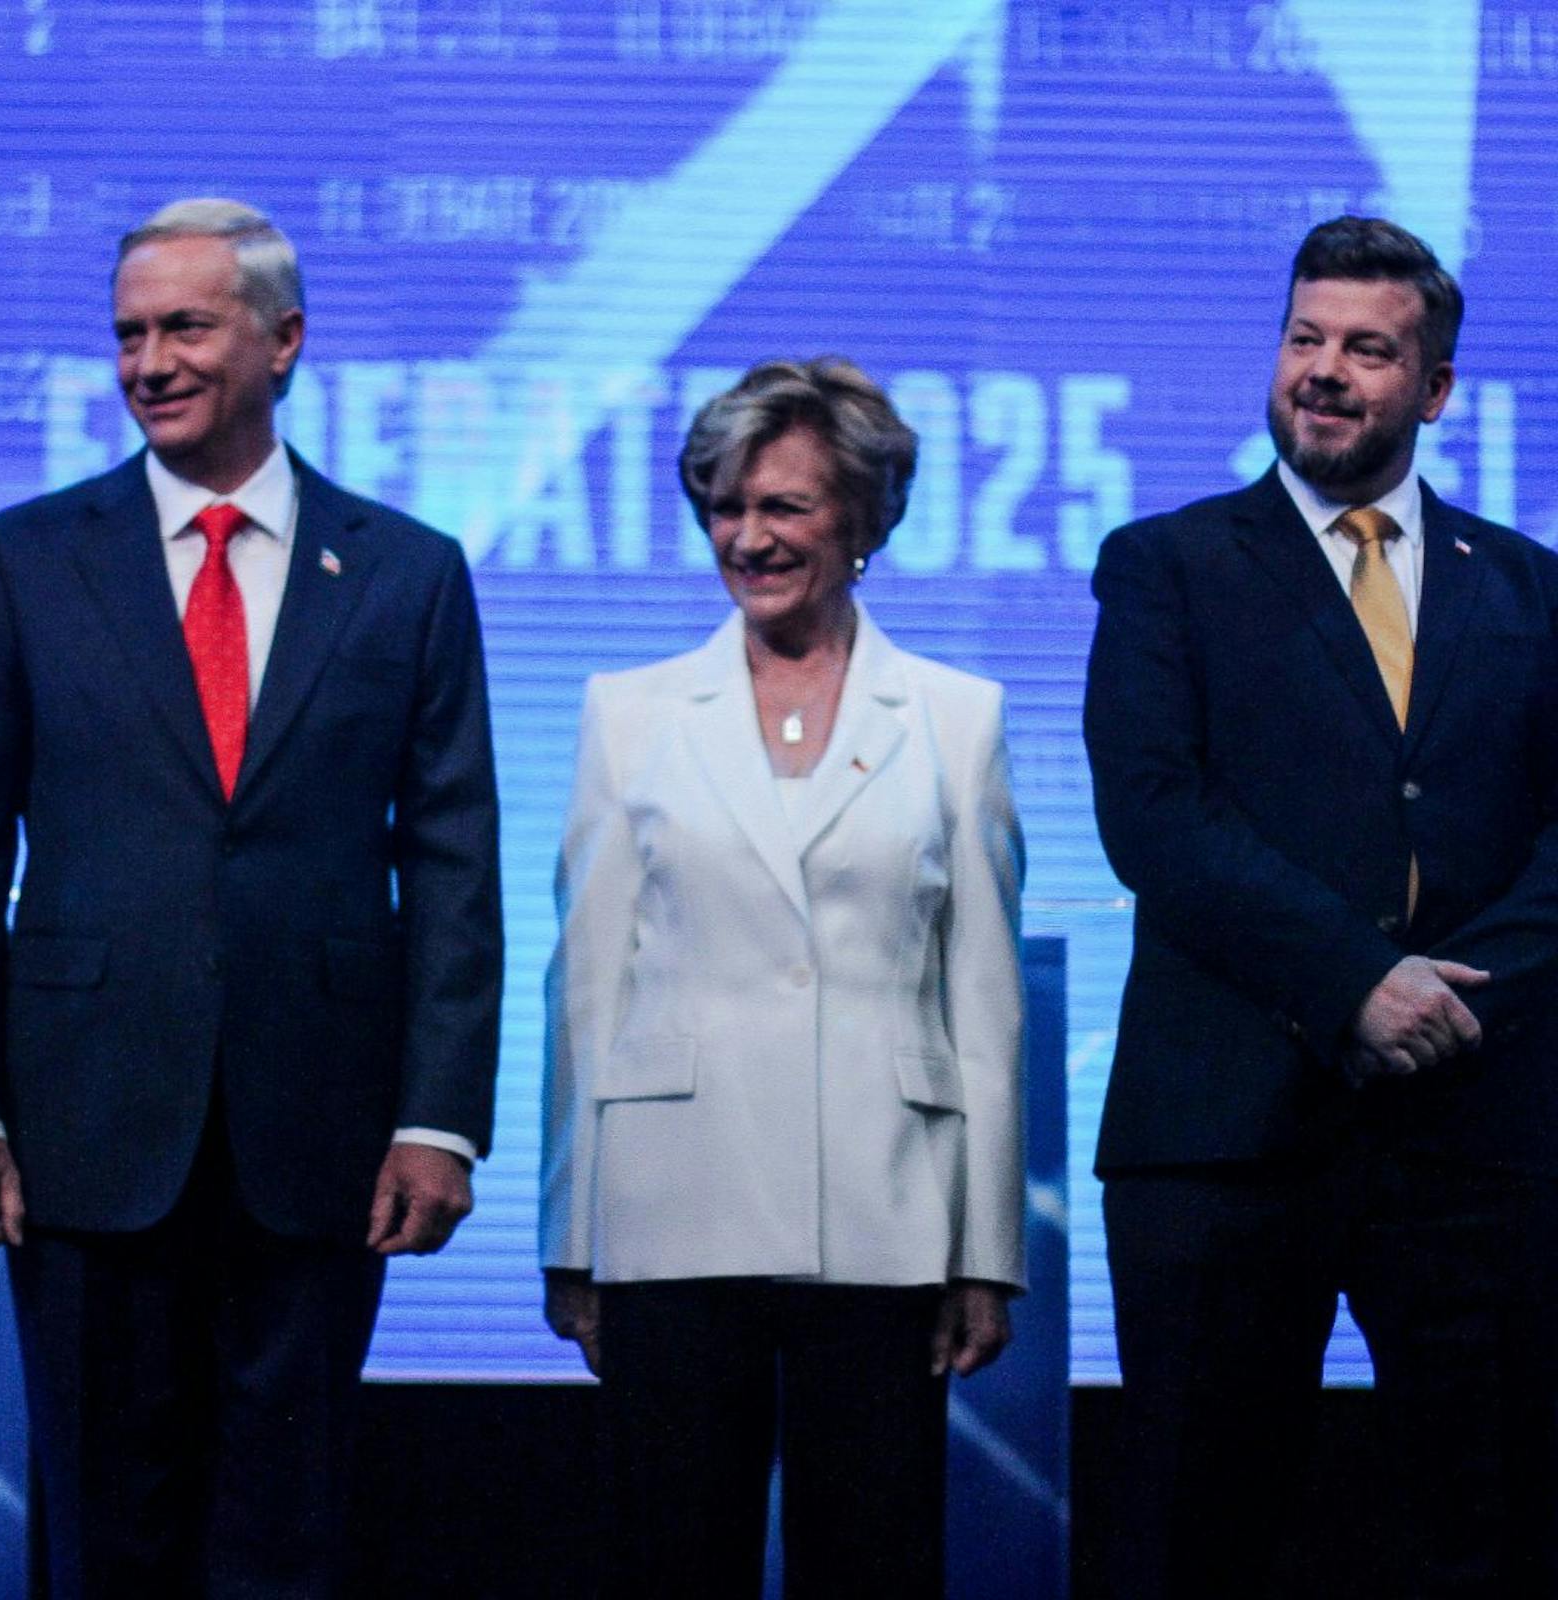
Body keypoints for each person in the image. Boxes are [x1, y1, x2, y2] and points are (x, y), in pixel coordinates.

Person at [0, 198, 503, 1598]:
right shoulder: (22, 560)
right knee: (100, 1536)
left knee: (285, 1536)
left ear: (285, 342)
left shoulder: (407, 574)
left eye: (186, 326)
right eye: (129, 334)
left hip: (316, 1131)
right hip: (84, 1130)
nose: (150, 362)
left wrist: (437, 1117)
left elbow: (450, 859)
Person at [1083, 215, 1558, 1598]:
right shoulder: (1166, 564)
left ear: (1438, 387)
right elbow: (1157, 820)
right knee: (1193, 1533)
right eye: (1306, 339)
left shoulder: (1530, 587)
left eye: (1368, 347)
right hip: (1227, 1134)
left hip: (1476, 1133)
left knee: (1500, 1531)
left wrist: (1454, 1002)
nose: (1327, 371)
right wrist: (1358, 980)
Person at [539, 359, 1025, 1597]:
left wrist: (986, 1249)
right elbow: (587, 986)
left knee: (871, 1561)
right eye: (726, 506)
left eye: (786, 508)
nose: (748, 538)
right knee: (669, 1557)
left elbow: (982, 1001)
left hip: (883, 1212)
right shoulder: (629, 711)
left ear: (861, 517)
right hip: (670, 1207)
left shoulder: (954, 716)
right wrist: (571, 1231)